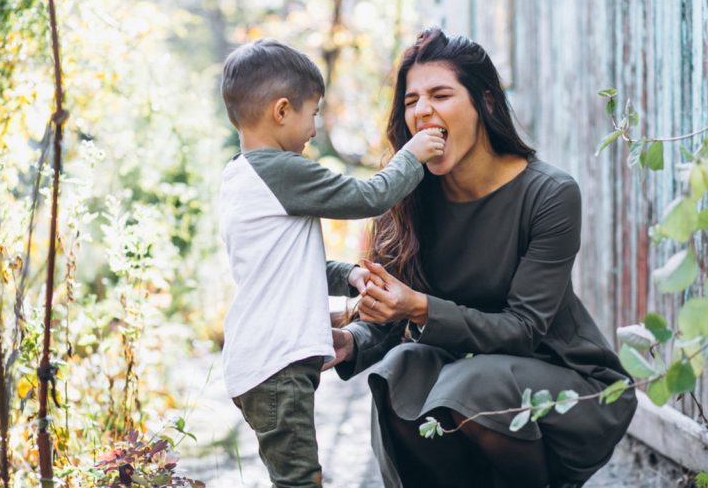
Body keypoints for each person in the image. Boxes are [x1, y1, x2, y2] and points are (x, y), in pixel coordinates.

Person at [328, 28, 638, 488]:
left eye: (440, 94)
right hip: (462, 381)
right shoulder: (405, 197)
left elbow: (524, 330)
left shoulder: (549, 194)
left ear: (486, 102)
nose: (422, 111)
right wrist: (352, 340)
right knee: (401, 372)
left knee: (472, 382)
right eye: (411, 100)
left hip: (568, 386)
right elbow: (393, 317)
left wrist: (420, 307)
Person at [218, 38, 445, 488]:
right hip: (276, 366)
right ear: (282, 111)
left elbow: (289, 262)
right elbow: (370, 196)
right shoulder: (281, 170)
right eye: (314, 113)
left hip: (262, 362)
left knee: (298, 476)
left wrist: (349, 275)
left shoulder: (239, 175)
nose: (315, 130)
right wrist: (413, 154)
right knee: (302, 481)